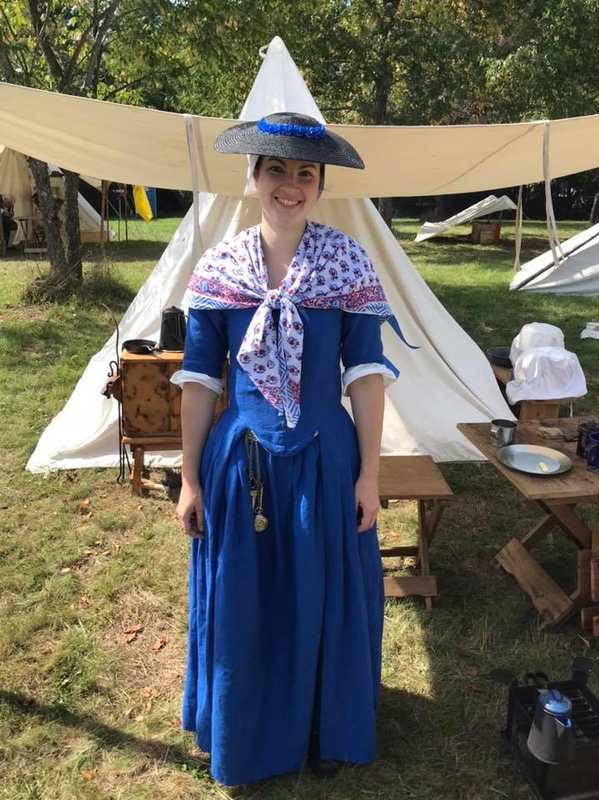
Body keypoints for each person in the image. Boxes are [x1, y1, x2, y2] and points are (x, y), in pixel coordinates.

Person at [172, 112, 397, 786]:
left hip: (326, 461)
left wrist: (370, 475)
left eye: (305, 173)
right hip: (241, 459)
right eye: (276, 170)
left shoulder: (346, 265)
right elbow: (200, 380)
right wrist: (188, 478)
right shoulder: (220, 270)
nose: (290, 184)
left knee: (323, 594)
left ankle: (324, 728)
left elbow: (365, 375)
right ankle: (243, 728)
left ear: (320, 184)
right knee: (247, 598)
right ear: (253, 177)